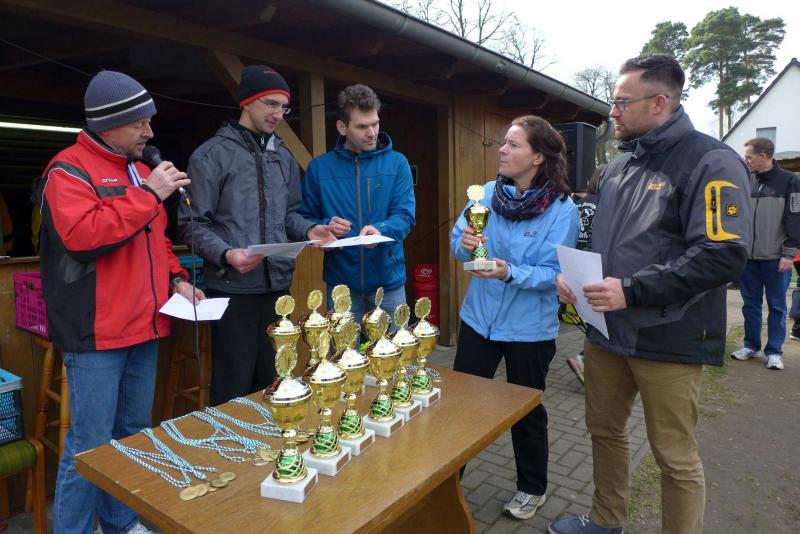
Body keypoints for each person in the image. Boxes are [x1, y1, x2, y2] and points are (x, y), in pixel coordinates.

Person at [550, 55, 751, 534]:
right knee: (604, 431)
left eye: (622, 102)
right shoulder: (617, 167)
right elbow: (597, 237)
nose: (612, 112)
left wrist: (633, 290)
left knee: (674, 457)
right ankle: (606, 521)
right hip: (606, 333)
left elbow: (723, 254)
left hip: (670, 335)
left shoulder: (711, 161)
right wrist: (574, 277)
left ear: (659, 102)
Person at [39, 70, 203, 534]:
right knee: (89, 447)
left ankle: (121, 523)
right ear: (109, 124)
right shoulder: (67, 170)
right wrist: (148, 195)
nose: (150, 132)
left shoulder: (139, 170)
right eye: (140, 123)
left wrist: (176, 279)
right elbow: (82, 236)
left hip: (145, 326)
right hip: (96, 334)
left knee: (131, 437)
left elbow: (156, 241)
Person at [178, 65, 334, 405]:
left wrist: (310, 229)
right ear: (247, 102)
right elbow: (192, 225)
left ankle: (270, 436)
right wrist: (226, 254)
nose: (278, 114)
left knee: (275, 383)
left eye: (283, 107)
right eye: (270, 104)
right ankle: (230, 439)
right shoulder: (211, 155)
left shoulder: (284, 157)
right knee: (233, 387)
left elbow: (291, 214)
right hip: (232, 290)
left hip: (278, 290)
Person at [450, 115, 578, 520]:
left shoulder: (562, 209)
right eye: (503, 143)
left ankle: (532, 488)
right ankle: (447, 484)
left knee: (525, 410)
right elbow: (458, 243)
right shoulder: (487, 194)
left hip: (529, 330)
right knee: (461, 407)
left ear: (538, 156)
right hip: (478, 321)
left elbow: (555, 274)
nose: (502, 150)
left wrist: (510, 272)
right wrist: (465, 243)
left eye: (513, 144)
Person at [299, 84, 415, 324]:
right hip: (341, 284)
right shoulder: (319, 168)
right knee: (343, 349)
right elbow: (304, 218)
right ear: (342, 127)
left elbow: (405, 216)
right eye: (362, 126)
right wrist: (325, 226)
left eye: (375, 123)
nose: (372, 132)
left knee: (393, 348)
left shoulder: (397, 164)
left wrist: (380, 229)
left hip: (388, 282)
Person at [730, 137, 800, 370]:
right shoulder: (745, 179)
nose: (746, 161)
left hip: (776, 257)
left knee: (777, 306)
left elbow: (795, 217)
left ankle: (775, 351)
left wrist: (789, 254)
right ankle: (751, 346)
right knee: (750, 305)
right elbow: (735, 213)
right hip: (748, 258)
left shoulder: (790, 181)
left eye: (749, 157)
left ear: (764, 156)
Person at [565, 164, 604, 385]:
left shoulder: (577, 204)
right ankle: (584, 359)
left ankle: (584, 358)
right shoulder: (605, 205)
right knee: (599, 319)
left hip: (573, 265)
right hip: (594, 266)